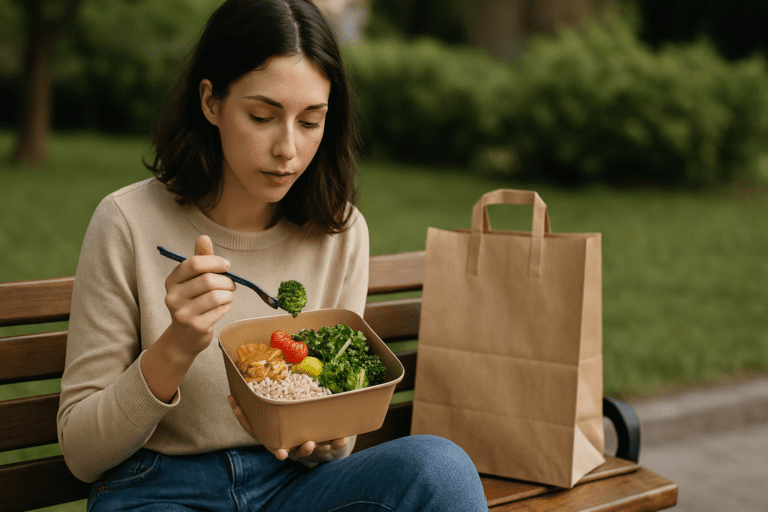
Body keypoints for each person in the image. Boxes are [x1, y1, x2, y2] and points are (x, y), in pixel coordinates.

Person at [57, 0, 489, 510]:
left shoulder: (340, 232)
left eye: (310, 122)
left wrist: (322, 439)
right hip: (160, 488)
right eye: (262, 116)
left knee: (441, 470)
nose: (287, 148)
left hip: (291, 486)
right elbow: (82, 453)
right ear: (211, 101)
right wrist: (177, 345)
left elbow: (336, 442)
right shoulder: (127, 224)